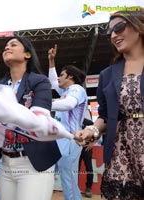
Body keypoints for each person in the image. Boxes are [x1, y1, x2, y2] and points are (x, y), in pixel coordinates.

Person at [75, 9, 144, 200]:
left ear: (139, 27)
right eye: (110, 32)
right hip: (121, 152)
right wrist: (92, 131)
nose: (114, 35)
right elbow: (105, 116)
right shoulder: (106, 75)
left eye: (119, 27)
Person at [0, 36, 61, 200]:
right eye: (5, 46)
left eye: (13, 45)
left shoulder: (40, 82)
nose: (7, 48)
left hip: (34, 161)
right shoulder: (0, 86)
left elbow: (39, 119)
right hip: (6, 161)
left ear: (27, 54)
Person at [48, 44, 87, 200]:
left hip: (71, 139)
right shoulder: (65, 91)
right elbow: (52, 82)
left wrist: (43, 103)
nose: (58, 78)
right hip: (59, 140)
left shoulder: (77, 89)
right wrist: (51, 61)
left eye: (61, 75)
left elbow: (69, 105)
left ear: (70, 77)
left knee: (68, 179)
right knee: (54, 176)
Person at [78, 118, 94, 198]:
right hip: (76, 148)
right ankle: (75, 187)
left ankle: (89, 188)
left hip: (87, 148)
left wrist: (92, 143)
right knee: (76, 168)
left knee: (89, 168)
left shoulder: (89, 122)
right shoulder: (74, 121)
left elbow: (96, 133)